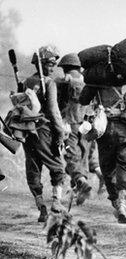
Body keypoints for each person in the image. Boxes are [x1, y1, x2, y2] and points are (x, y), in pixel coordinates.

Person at [79, 82, 126, 224]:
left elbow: (83, 99)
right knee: (125, 164)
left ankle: (117, 203)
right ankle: (122, 204)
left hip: (104, 129)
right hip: (124, 129)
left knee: (108, 169)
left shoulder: (97, 78)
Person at [22, 45, 67, 222]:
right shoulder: (49, 83)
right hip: (44, 132)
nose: (52, 67)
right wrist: (61, 133)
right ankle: (55, 203)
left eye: (54, 63)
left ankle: (41, 204)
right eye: (49, 63)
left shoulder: (26, 82)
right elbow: (54, 111)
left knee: (33, 168)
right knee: (58, 166)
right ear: (41, 64)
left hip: (27, 133)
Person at [56, 53, 93, 205]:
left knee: (71, 157)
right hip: (87, 126)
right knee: (83, 156)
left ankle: (81, 181)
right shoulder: (88, 83)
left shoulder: (64, 82)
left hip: (69, 125)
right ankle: (79, 187)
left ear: (65, 67)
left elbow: (57, 104)